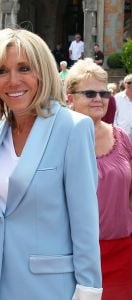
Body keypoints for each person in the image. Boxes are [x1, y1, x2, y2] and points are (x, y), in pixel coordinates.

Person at [0, 28, 102, 300]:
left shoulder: (73, 127)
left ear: (43, 72)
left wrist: (89, 291)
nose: (13, 81)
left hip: (49, 287)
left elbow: (85, 223)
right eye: (1, 71)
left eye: (24, 68)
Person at [65, 58, 132, 300]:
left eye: (104, 93)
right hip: (73, 255)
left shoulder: (122, 137)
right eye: (90, 93)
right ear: (69, 98)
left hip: (122, 250)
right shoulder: (57, 140)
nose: (99, 99)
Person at [114, 73, 132, 139]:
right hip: (121, 134)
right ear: (124, 84)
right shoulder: (117, 98)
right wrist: (117, 132)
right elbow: (114, 117)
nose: (131, 85)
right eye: (129, 83)